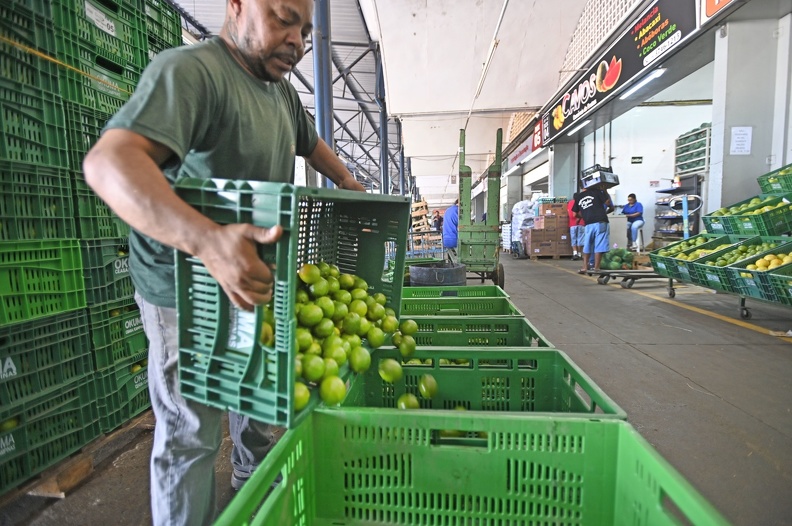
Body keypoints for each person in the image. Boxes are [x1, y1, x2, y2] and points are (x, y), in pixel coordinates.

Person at [82, 0, 365, 524]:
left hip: (252, 272)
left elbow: (311, 142)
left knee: (257, 395)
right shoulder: (191, 73)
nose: (298, 41)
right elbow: (109, 162)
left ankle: (256, 492)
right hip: (183, 286)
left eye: (305, 29)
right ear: (236, 5)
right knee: (192, 429)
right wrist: (209, 242)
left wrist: (346, 180)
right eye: (283, 17)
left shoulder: (278, 89)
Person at [572, 184, 614, 273]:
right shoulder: (597, 192)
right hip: (601, 221)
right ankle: (596, 268)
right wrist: (605, 190)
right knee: (599, 245)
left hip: (588, 223)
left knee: (587, 245)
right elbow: (608, 203)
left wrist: (585, 215)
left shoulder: (578, 197)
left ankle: (585, 267)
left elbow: (575, 214)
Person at [567, 188, 585, 261]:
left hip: (572, 224)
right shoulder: (582, 202)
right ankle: (580, 254)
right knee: (580, 239)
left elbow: (569, 213)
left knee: (573, 239)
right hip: (581, 223)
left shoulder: (570, 203)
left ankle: (575, 254)